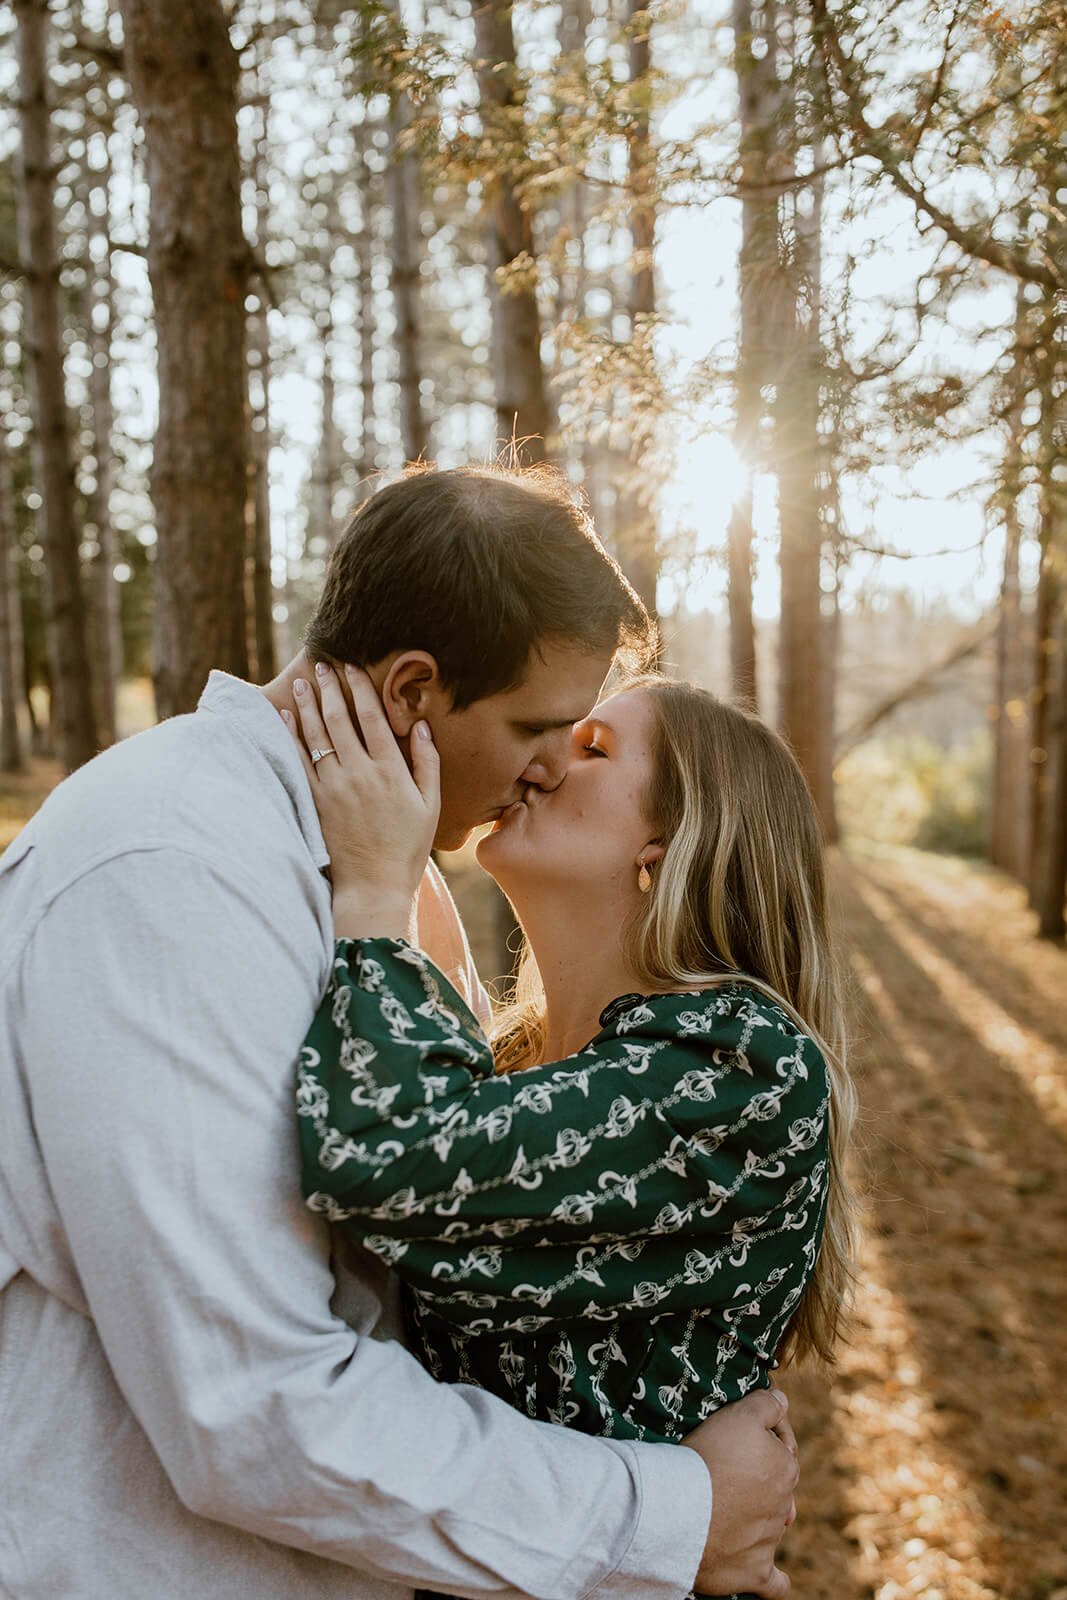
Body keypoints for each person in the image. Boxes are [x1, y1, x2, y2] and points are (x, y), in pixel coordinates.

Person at [0, 465, 798, 1600]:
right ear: (415, 688)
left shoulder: (364, 869)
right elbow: (255, 1406)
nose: (547, 767)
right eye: (537, 726)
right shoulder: (171, 871)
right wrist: (670, 1514)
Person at [283, 658, 859, 1598]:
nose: (545, 761)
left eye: (590, 747)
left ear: (667, 845)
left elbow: (384, 1154)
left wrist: (376, 899)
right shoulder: (514, 1061)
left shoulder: (741, 1069)